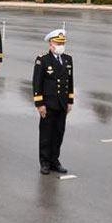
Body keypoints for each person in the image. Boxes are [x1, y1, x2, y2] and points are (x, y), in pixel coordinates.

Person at [32, 29, 74, 175]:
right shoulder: (42, 60)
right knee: (46, 134)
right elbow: (37, 83)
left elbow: (70, 81)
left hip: (62, 103)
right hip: (48, 104)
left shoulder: (68, 59)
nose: (60, 45)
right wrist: (40, 104)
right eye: (57, 43)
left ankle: (54, 161)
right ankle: (44, 162)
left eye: (62, 43)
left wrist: (70, 101)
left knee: (58, 133)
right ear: (51, 44)